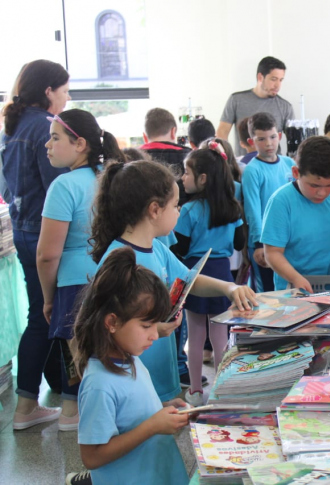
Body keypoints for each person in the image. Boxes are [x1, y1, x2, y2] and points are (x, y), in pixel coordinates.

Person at [89, 160, 256, 405]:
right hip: (132, 379)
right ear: (154, 210)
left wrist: (228, 287)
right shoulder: (119, 259)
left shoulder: (156, 247)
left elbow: (189, 279)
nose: (179, 212)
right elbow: (109, 327)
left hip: (159, 373)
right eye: (176, 206)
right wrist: (155, 330)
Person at [37, 109, 126, 431]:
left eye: (55, 138)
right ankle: (106, 418)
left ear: (80, 144)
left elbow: (47, 255)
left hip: (75, 285)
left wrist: (49, 298)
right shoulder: (116, 176)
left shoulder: (64, 186)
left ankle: (82, 423)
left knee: (82, 361)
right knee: (111, 357)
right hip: (119, 277)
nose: (47, 144)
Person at [72, 247, 189, 485]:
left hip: (155, 471)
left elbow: (128, 411)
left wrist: (162, 407)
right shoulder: (99, 384)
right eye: (146, 327)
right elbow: (92, 457)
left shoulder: (130, 356)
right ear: (112, 322)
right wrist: (152, 426)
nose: (155, 336)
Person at [3, 59, 70, 430]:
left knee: (41, 315)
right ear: (48, 91)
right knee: (47, 318)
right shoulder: (46, 127)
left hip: (22, 231)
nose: (67, 97)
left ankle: (39, 398)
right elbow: (58, 190)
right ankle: (29, 407)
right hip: (45, 235)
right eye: (64, 90)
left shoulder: (11, 128)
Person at [174, 141, 245, 405]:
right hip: (222, 273)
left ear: (202, 179)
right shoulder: (232, 208)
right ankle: (222, 389)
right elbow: (238, 243)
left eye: (186, 173)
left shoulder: (189, 211)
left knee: (195, 337)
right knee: (221, 338)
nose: (183, 178)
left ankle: (194, 391)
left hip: (196, 273)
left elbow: (178, 248)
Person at [262, 136, 330, 292]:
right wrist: (295, 278)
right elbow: (272, 252)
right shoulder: (281, 201)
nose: (321, 192)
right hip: (295, 290)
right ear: (296, 172)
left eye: (329, 184)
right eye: (314, 185)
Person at [243, 112, 296, 292]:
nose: (269, 143)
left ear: (279, 136)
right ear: (252, 142)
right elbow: (253, 210)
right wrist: (259, 244)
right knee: (267, 293)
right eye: (261, 139)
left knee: (289, 289)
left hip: (289, 240)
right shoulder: (252, 170)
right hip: (265, 242)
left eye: (273, 137)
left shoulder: (290, 164)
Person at [217, 57, 294, 157]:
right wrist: (228, 160)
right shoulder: (236, 100)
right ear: (260, 77)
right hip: (244, 165)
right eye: (273, 79)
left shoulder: (285, 107)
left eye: (281, 80)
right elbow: (222, 132)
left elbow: (293, 143)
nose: (278, 85)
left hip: (274, 167)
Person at [139, 107, 192, 205]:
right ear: (173, 132)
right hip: (183, 217)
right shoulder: (190, 156)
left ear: (145, 137)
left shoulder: (133, 158)